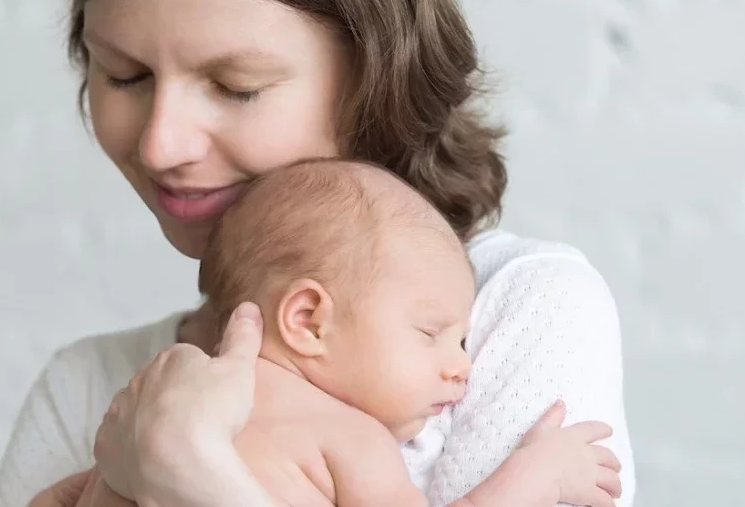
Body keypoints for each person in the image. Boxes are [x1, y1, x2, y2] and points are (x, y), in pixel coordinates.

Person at [0, 0, 636, 506]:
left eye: (236, 85)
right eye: (126, 74)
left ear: (373, 73)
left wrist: (190, 473)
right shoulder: (81, 390)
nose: (162, 144)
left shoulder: (524, 310)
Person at [95, 157, 623, 507]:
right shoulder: (348, 436)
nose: (461, 365)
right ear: (308, 321)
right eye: (430, 332)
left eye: (461, 341)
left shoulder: (161, 403)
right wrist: (539, 472)